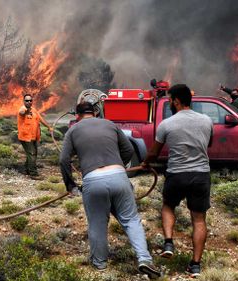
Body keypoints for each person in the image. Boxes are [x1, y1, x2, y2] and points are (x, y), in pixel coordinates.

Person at [60, 102, 161, 279]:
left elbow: (63, 160)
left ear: (77, 115)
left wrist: (71, 186)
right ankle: (144, 259)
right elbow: (128, 149)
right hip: (119, 177)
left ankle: (100, 264)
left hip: (92, 180)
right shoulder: (109, 124)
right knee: (131, 220)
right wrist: (119, 166)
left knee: (98, 223)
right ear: (95, 113)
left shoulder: (73, 130)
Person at [144, 84, 213, 278]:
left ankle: (168, 243)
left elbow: (154, 152)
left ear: (176, 100)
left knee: (168, 206)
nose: (170, 103)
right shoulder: (206, 120)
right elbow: (209, 143)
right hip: (200, 175)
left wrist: (145, 163)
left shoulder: (167, 123)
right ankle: (195, 265)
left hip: (176, 174)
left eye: (170, 100)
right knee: (199, 219)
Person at [17, 93, 53, 179]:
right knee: (32, 153)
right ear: (24, 101)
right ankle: (33, 174)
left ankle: (26, 170)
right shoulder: (23, 109)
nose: (29, 102)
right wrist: (25, 111)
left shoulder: (34, 110)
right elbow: (21, 112)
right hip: (25, 137)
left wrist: (49, 127)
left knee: (32, 153)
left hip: (33, 137)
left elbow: (41, 119)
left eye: (30, 100)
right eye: (27, 100)